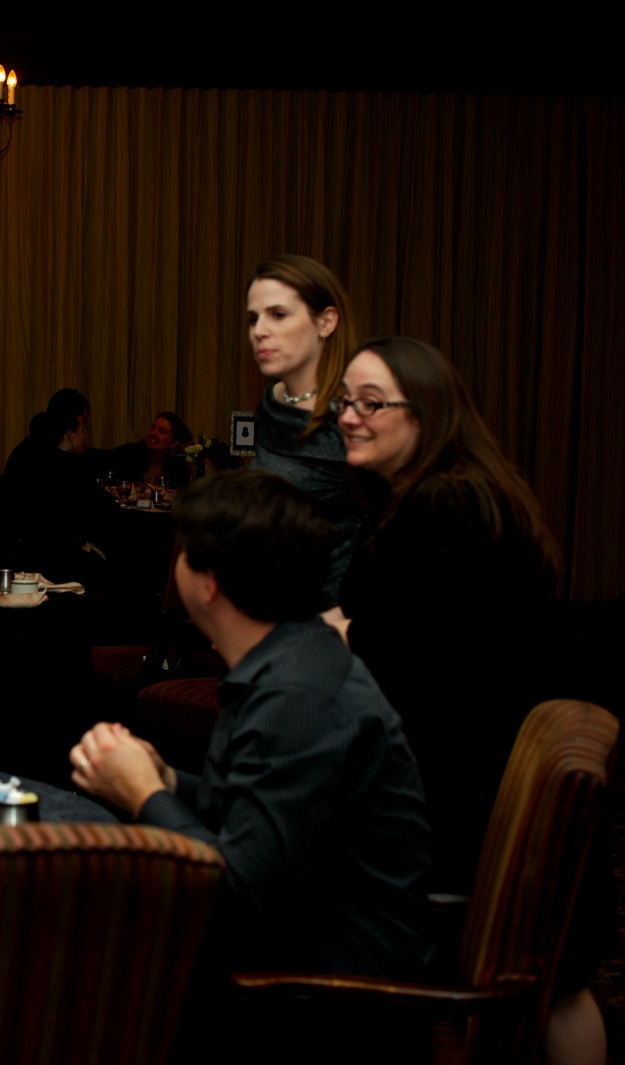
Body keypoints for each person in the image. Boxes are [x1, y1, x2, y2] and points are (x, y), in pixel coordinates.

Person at [329, 338, 602, 1063]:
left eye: (371, 402)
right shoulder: (454, 494)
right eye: (344, 402)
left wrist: (346, 630)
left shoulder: (443, 509)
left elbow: (414, 666)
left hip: (464, 802)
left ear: (429, 413)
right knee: (559, 989)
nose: (350, 417)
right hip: (482, 780)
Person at [69, 472, 431, 987]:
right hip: (300, 953)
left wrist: (144, 795)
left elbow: (235, 894)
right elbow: (253, 808)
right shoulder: (294, 653)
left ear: (208, 583)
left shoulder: (295, 699)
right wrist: (168, 782)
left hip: (325, 999)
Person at [245, 256, 377, 607]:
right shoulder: (272, 401)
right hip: (266, 615)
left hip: (330, 626)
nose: (259, 330)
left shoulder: (355, 416)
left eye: (278, 315)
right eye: (253, 318)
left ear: (326, 322)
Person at [3, 388, 116, 585]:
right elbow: (93, 513)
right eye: (83, 428)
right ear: (70, 431)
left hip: (24, 544)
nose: (86, 436)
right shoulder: (62, 464)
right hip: (50, 555)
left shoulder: (27, 449)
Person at [107, 410, 192, 487]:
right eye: (153, 428)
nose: (153, 433)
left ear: (174, 443)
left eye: (162, 431)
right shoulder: (129, 453)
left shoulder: (178, 469)